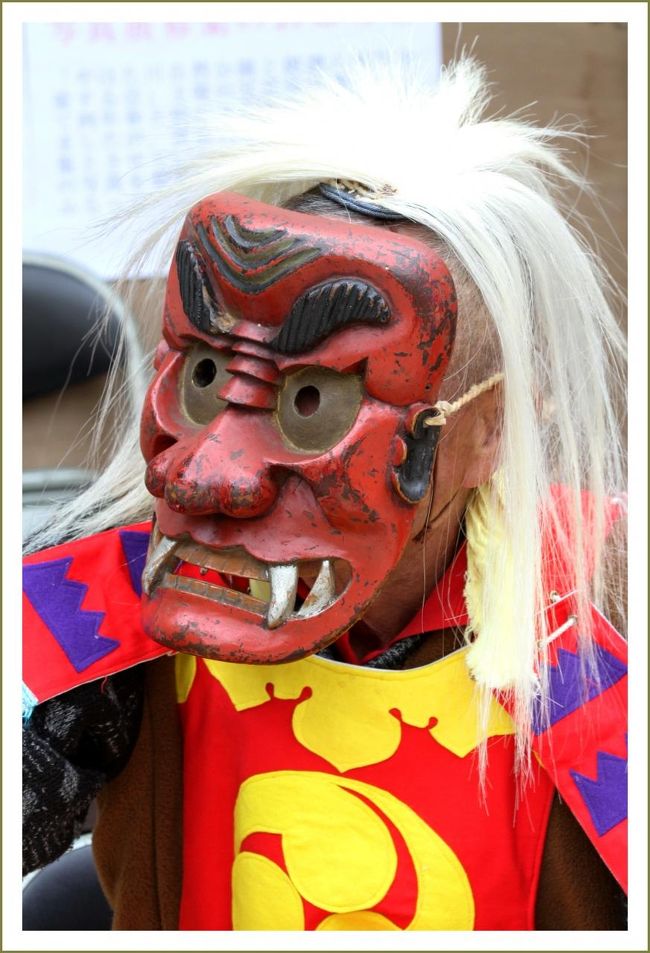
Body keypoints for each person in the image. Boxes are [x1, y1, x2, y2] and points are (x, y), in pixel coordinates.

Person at [23, 57, 627, 930]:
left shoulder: (602, 607)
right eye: (204, 378)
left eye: (313, 401)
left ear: (487, 431)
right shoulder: (122, 587)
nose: (209, 474)